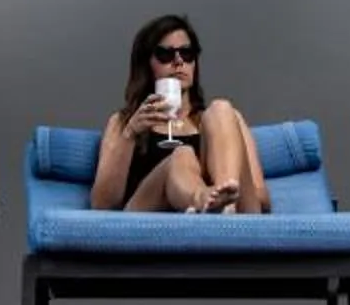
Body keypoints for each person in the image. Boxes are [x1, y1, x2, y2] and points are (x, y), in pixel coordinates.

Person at [89, 17, 272, 216]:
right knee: (181, 155)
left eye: (187, 53)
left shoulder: (223, 121)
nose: (178, 62)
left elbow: (261, 199)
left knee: (221, 108)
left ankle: (223, 201)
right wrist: (130, 134)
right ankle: (204, 200)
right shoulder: (124, 122)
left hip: (239, 214)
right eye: (165, 55)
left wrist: (213, 177)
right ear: (147, 64)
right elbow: (102, 204)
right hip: (146, 212)